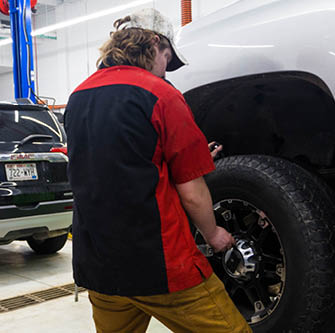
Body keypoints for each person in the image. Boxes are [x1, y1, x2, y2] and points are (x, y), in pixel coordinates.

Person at [64, 8, 251, 333]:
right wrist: (214, 234)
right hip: (162, 268)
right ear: (153, 43)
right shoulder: (162, 95)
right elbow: (192, 194)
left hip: (100, 270)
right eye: (167, 58)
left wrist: (176, 159)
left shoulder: (78, 97)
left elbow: (115, 163)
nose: (167, 71)